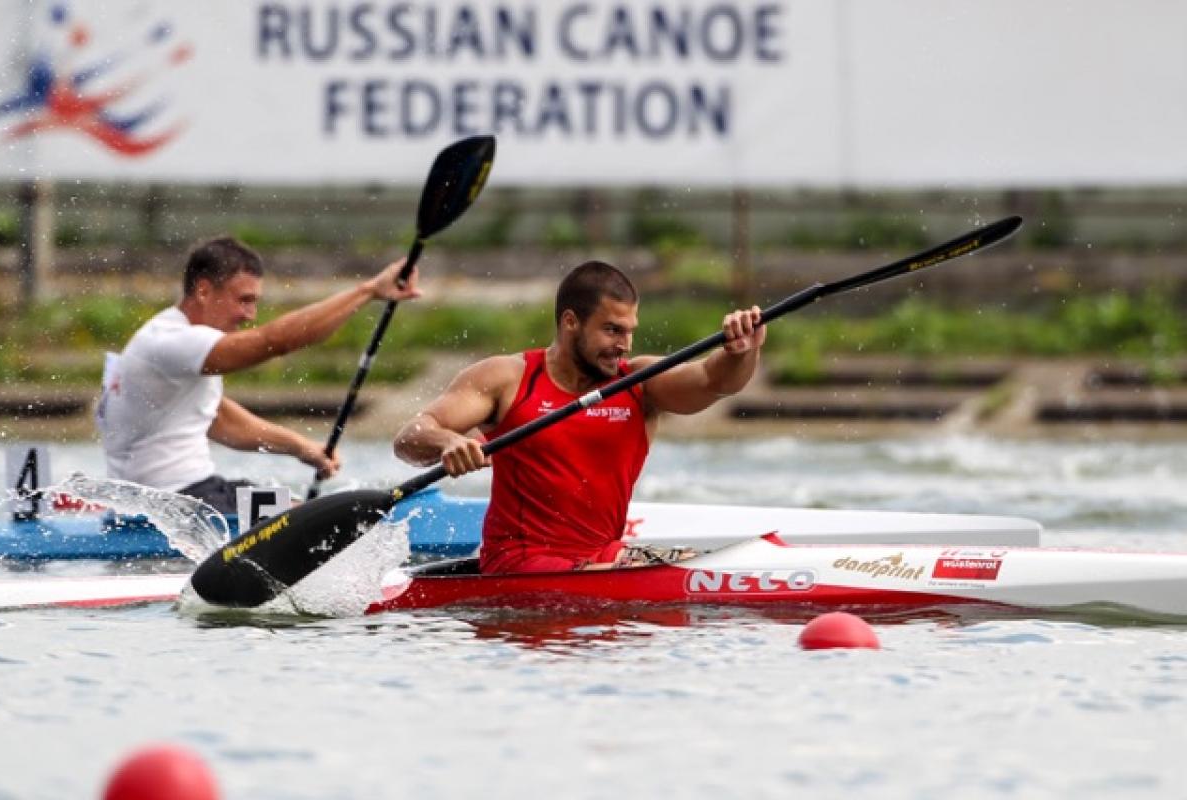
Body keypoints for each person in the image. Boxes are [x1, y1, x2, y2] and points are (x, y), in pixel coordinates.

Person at [393, 260, 765, 574]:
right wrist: (448, 442)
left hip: (604, 560)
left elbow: (712, 381)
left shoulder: (639, 383)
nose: (624, 345)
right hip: (521, 565)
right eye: (612, 330)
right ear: (570, 322)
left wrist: (739, 353)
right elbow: (411, 437)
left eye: (630, 332)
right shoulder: (507, 379)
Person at [98, 237, 421, 514]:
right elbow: (274, 342)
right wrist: (367, 292)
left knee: (301, 511)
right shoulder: (170, 342)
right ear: (204, 290)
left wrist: (302, 447)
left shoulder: (164, 343)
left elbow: (219, 419)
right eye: (244, 300)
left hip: (191, 495)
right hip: (178, 505)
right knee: (315, 526)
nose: (250, 314)